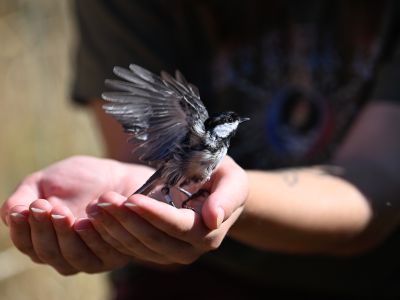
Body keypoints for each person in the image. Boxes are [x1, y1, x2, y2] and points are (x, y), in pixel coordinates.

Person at [2, 0, 400, 299]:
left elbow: (374, 183)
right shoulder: (195, 130)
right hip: (191, 283)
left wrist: (235, 196)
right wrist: (139, 205)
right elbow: (140, 160)